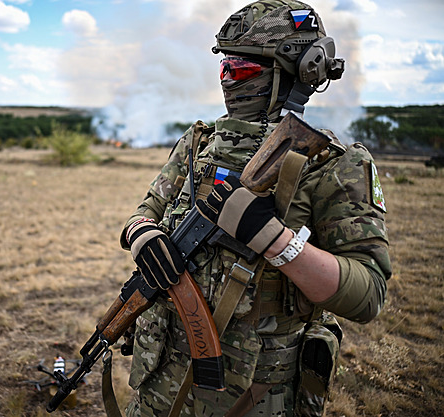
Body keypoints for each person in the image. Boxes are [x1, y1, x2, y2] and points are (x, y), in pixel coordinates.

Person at [120, 1, 391, 416]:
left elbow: (367, 294)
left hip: (253, 394)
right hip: (162, 384)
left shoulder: (335, 165)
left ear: (303, 71)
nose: (229, 80)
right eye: (224, 68)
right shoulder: (199, 144)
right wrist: (141, 235)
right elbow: (146, 209)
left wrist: (276, 241)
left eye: (242, 70)